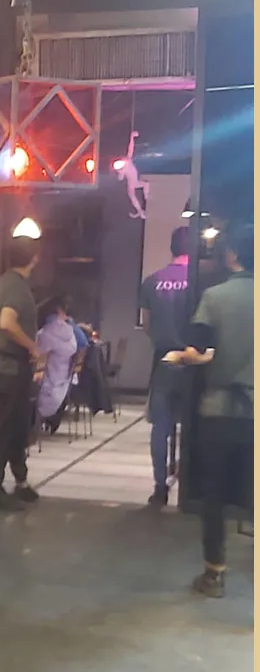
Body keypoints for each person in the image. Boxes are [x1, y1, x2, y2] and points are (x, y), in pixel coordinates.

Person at [164, 223, 253, 599]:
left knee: (214, 494)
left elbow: (197, 349)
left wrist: (181, 357)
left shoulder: (215, 297)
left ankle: (214, 573)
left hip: (219, 409)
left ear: (231, 255)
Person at [0, 236, 41, 507]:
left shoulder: (2, 283)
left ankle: (20, 480)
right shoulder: (17, 288)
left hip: (0, 365)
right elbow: (6, 322)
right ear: (34, 258)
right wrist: (32, 346)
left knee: (16, 425)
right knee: (5, 427)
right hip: (9, 367)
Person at [139, 226, 191, 506]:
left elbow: (147, 325)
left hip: (163, 361)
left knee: (161, 427)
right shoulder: (198, 281)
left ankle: (160, 487)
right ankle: (188, 483)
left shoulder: (152, 281)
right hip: (193, 363)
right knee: (193, 426)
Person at [35, 296, 78, 426]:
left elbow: (39, 359)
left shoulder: (45, 333)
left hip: (47, 388)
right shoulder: (71, 332)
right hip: (64, 383)